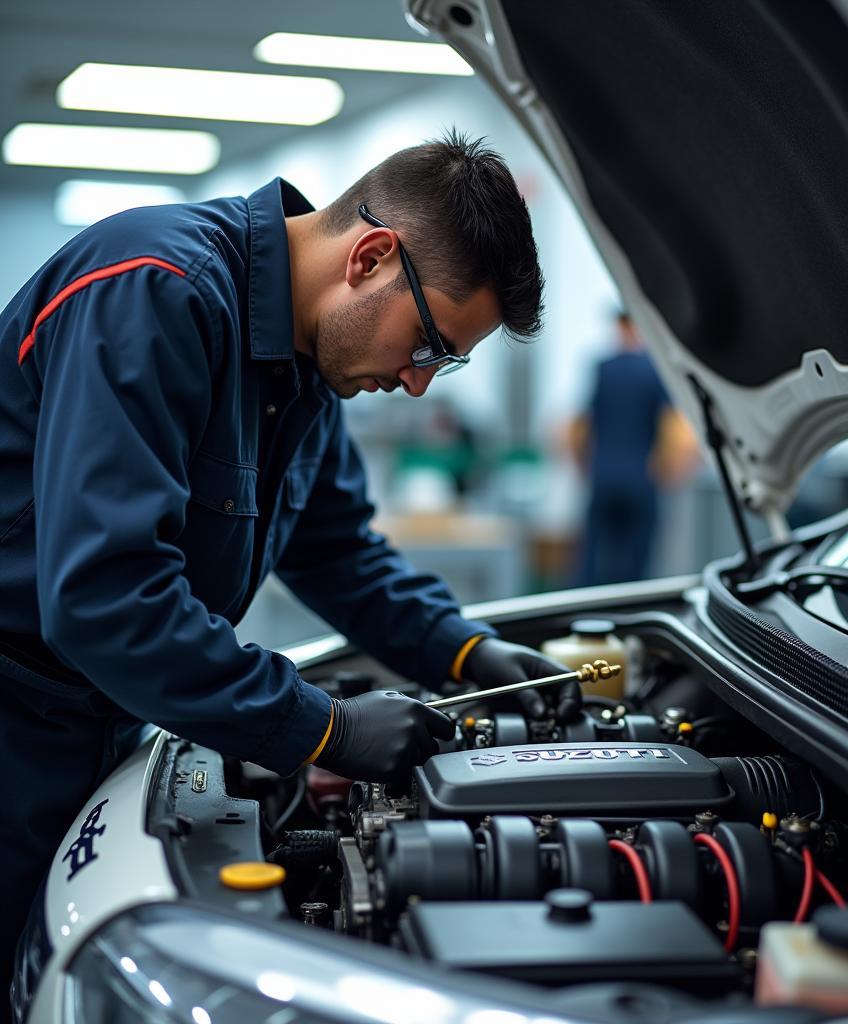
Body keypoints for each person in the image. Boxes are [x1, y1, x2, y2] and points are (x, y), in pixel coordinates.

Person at [0, 131, 579, 1013]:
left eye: (445, 362)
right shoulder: (158, 291)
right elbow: (105, 598)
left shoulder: (309, 368)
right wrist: (324, 728)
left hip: (98, 711)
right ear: (372, 257)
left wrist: (465, 654)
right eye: (428, 346)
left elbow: (336, 549)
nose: (421, 385)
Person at [568, 312, 699, 585]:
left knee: (592, 559)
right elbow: (671, 427)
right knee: (637, 563)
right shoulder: (654, 369)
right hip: (641, 478)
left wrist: (583, 466)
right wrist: (670, 469)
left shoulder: (603, 368)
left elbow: (582, 425)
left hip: (603, 476)